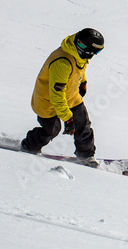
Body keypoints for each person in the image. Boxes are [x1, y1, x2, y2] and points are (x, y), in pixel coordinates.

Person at [21, 28, 104, 166]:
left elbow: (78, 67)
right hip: (47, 101)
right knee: (51, 130)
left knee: (83, 124)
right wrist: (67, 118)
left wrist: (82, 82)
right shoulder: (62, 62)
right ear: (86, 48)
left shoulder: (78, 53)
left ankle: (86, 155)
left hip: (71, 96)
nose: (94, 55)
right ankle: (29, 146)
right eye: (95, 51)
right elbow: (57, 96)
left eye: (98, 51)